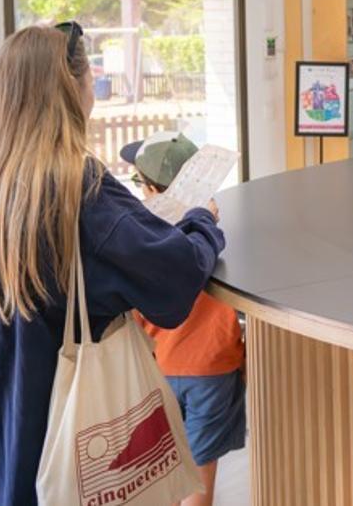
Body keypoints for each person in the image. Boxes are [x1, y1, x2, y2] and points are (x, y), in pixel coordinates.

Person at [0, 23, 225, 506]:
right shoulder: (78, 185)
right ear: (72, 88)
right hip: (75, 438)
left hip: (8, 438)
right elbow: (172, 282)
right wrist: (202, 223)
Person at [122, 131, 246, 506]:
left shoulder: (142, 236)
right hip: (213, 368)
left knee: (163, 470)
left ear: (152, 189)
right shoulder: (217, 230)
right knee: (199, 474)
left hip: (159, 368)